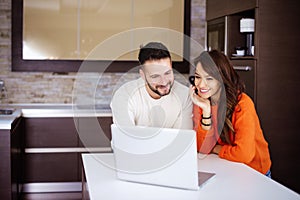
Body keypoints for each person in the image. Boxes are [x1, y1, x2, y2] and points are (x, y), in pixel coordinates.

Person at [189, 50, 271, 176]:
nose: (201, 84)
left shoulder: (243, 104)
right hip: (226, 167)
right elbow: (203, 148)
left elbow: (244, 154)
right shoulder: (201, 101)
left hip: (255, 171)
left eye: (209, 78)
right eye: (198, 77)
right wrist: (206, 111)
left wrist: (216, 148)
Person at [110, 42, 192, 129]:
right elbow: (127, 139)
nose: (164, 82)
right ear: (143, 75)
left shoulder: (185, 95)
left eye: (167, 73)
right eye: (155, 76)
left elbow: (182, 138)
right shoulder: (124, 95)